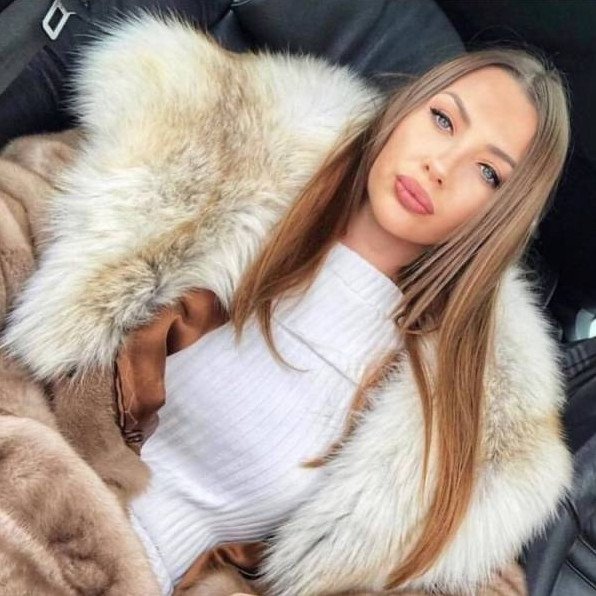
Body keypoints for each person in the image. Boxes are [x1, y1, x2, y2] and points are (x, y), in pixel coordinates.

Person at [0, 14, 571, 596]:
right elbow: (18, 213)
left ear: (501, 219)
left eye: (487, 172)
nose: (440, 166)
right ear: (404, 108)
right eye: (443, 119)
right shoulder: (213, 136)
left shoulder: (466, 417)